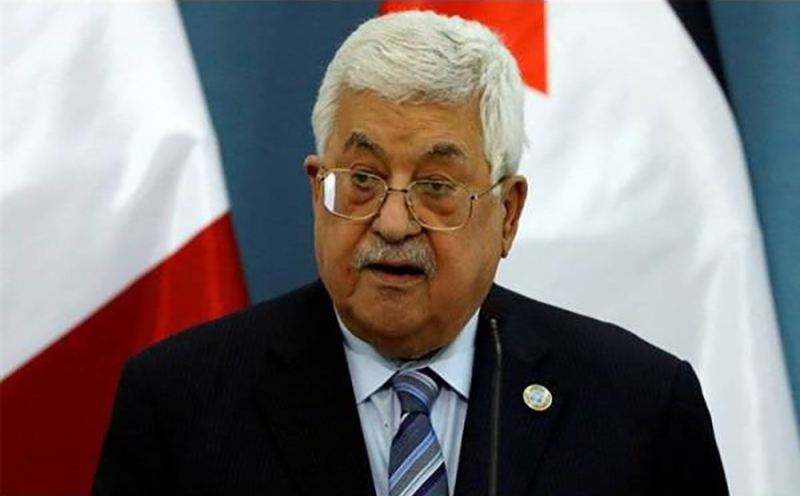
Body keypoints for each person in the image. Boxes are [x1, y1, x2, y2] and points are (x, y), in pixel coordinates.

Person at [93, 10, 728, 496]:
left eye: (437, 187)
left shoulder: (638, 408)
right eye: (362, 179)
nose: (393, 223)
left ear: (508, 214)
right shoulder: (180, 405)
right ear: (317, 190)